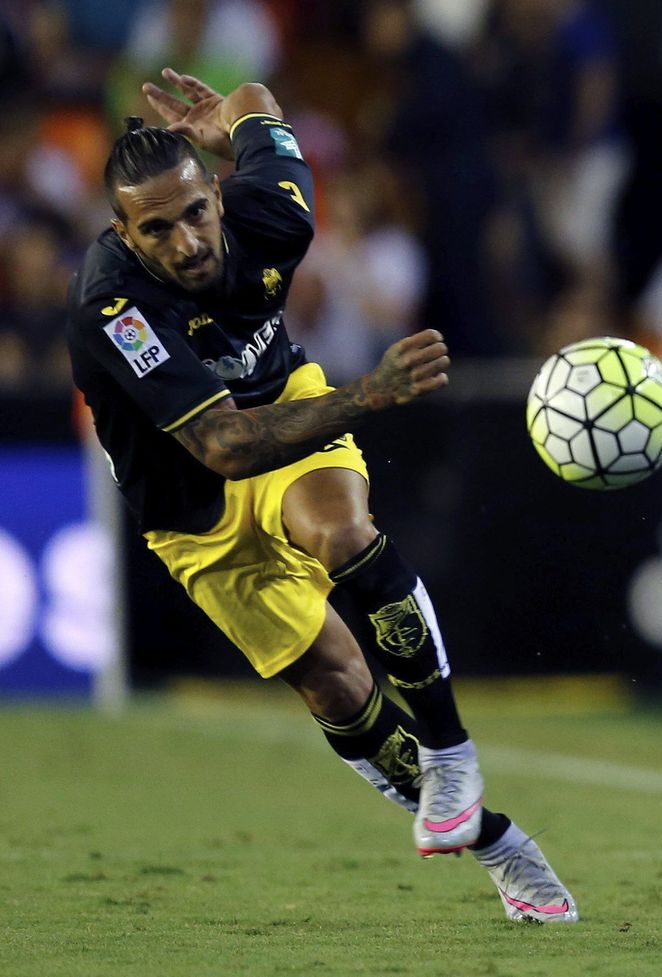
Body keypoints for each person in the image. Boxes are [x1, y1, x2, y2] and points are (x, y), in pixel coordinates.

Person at [65, 70, 577, 924]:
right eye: (156, 229)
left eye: (196, 211)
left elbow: (258, 98)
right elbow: (223, 446)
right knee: (339, 689)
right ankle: (498, 844)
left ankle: (450, 752)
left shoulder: (277, 205)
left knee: (340, 532)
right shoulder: (111, 307)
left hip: (290, 412)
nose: (187, 241)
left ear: (219, 195)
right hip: (193, 508)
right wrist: (369, 395)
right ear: (123, 232)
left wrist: (231, 122)